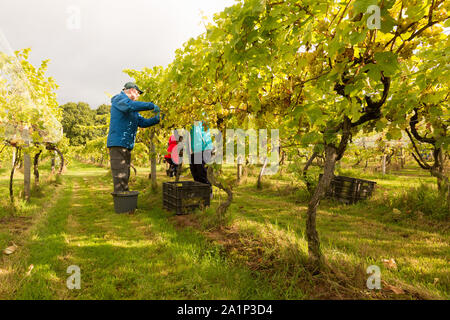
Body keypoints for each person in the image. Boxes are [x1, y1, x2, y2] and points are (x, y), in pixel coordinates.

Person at [107, 82, 161, 195]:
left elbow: (142, 122)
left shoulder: (132, 109)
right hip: (118, 144)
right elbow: (130, 105)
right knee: (120, 175)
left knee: (125, 174)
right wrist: (151, 106)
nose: (139, 95)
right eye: (138, 93)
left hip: (126, 145)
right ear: (132, 90)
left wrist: (158, 118)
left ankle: (125, 200)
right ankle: (122, 203)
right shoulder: (119, 99)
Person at [189, 120, 213, 186]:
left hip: (203, 148)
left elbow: (198, 132)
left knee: (202, 172)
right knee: (194, 172)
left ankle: (207, 192)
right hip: (194, 149)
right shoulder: (189, 116)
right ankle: (200, 192)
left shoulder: (201, 115)